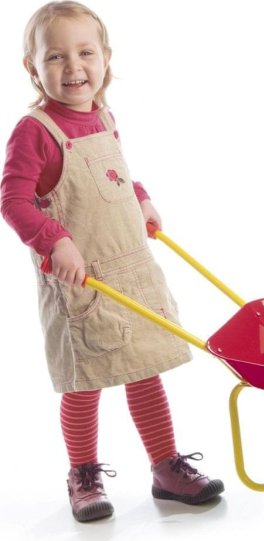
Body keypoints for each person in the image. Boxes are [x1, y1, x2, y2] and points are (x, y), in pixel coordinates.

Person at [1, 0, 224, 523]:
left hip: (131, 274)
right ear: (32, 67)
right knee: (86, 382)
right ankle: (83, 475)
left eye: (85, 53)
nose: (73, 67)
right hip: (83, 285)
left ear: (105, 59)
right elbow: (13, 200)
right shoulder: (35, 130)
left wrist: (140, 197)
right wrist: (53, 239)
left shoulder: (103, 116)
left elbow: (116, 172)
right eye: (55, 56)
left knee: (145, 371)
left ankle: (166, 467)